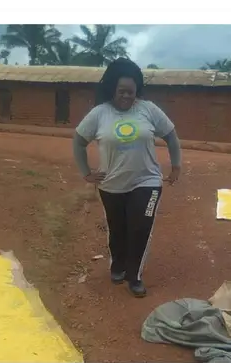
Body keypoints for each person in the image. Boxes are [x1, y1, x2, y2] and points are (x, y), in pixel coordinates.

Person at [73, 58, 183, 298]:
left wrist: (176, 166)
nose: (126, 96)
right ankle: (118, 264)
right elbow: (79, 142)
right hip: (111, 183)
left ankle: (135, 276)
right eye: (121, 91)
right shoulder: (99, 114)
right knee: (118, 229)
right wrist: (86, 173)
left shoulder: (148, 109)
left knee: (140, 227)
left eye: (131, 92)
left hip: (147, 181)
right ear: (112, 88)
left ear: (137, 91)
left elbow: (171, 136)